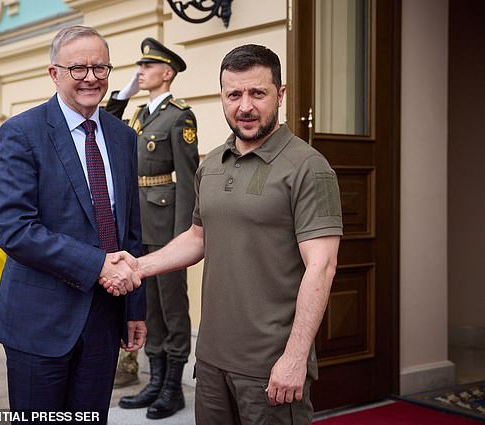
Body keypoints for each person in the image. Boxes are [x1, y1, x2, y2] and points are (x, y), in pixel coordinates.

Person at [105, 44, 342, 424]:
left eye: (257, 93)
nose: (244, 106)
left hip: (270, 367)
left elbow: (323, 266)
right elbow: (197, 237)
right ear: (222, 97)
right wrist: (137, 266)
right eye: (234, 94)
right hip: (212, 361)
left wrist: (296, 358)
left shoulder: (308, 168)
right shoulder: (212, 162)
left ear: (280, 95)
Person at [0, 25, 146, 424]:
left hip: (104, 320)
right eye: (78, 68)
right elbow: (13, 227)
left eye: (100, 67)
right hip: (39, 322)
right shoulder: (21, 133)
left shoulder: (122, 137)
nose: (91, 78)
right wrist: (97, 265)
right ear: (54, 73)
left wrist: (135, 308)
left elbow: (130, 229)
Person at [104, 37, 199, 420]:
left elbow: (190, 180)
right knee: (148, 307)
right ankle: (155, 382)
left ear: (167, 72)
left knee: (172, 308)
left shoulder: (180, 116)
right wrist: (122, 94)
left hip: (167, 225)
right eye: (139, 67)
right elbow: (108, 124)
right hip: (138, 224)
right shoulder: (140, 114)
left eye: (147, 67)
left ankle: (173, 386)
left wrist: (182, 237)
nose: (139, 72)